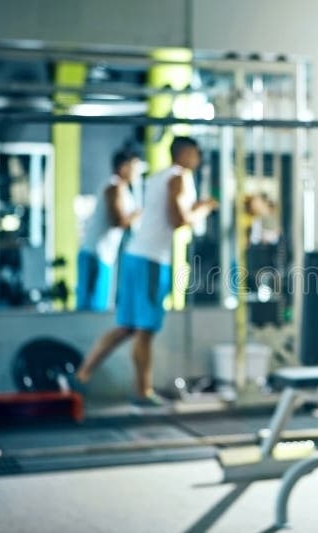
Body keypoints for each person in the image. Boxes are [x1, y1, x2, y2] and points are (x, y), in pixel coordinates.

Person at [75, 137, 218, 405]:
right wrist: (204, 208)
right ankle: (142, 392)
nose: (197, 160)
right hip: (152, 259)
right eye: (195, 154)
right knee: (145, 329)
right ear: (184, 153)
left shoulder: (157, 177)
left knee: (127, 326)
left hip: (135, 255)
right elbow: (178, 220)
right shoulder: (178, 177)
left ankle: (83, 374)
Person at [76, 149, 142, 311]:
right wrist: (138, 214)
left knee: (101, 305)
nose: (137, 173)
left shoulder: (124, 189)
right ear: (124, 167)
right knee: (92, 308)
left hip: (104, 255)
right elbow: (117, 221)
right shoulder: (114, 187)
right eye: (135, 167)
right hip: (95, 254)